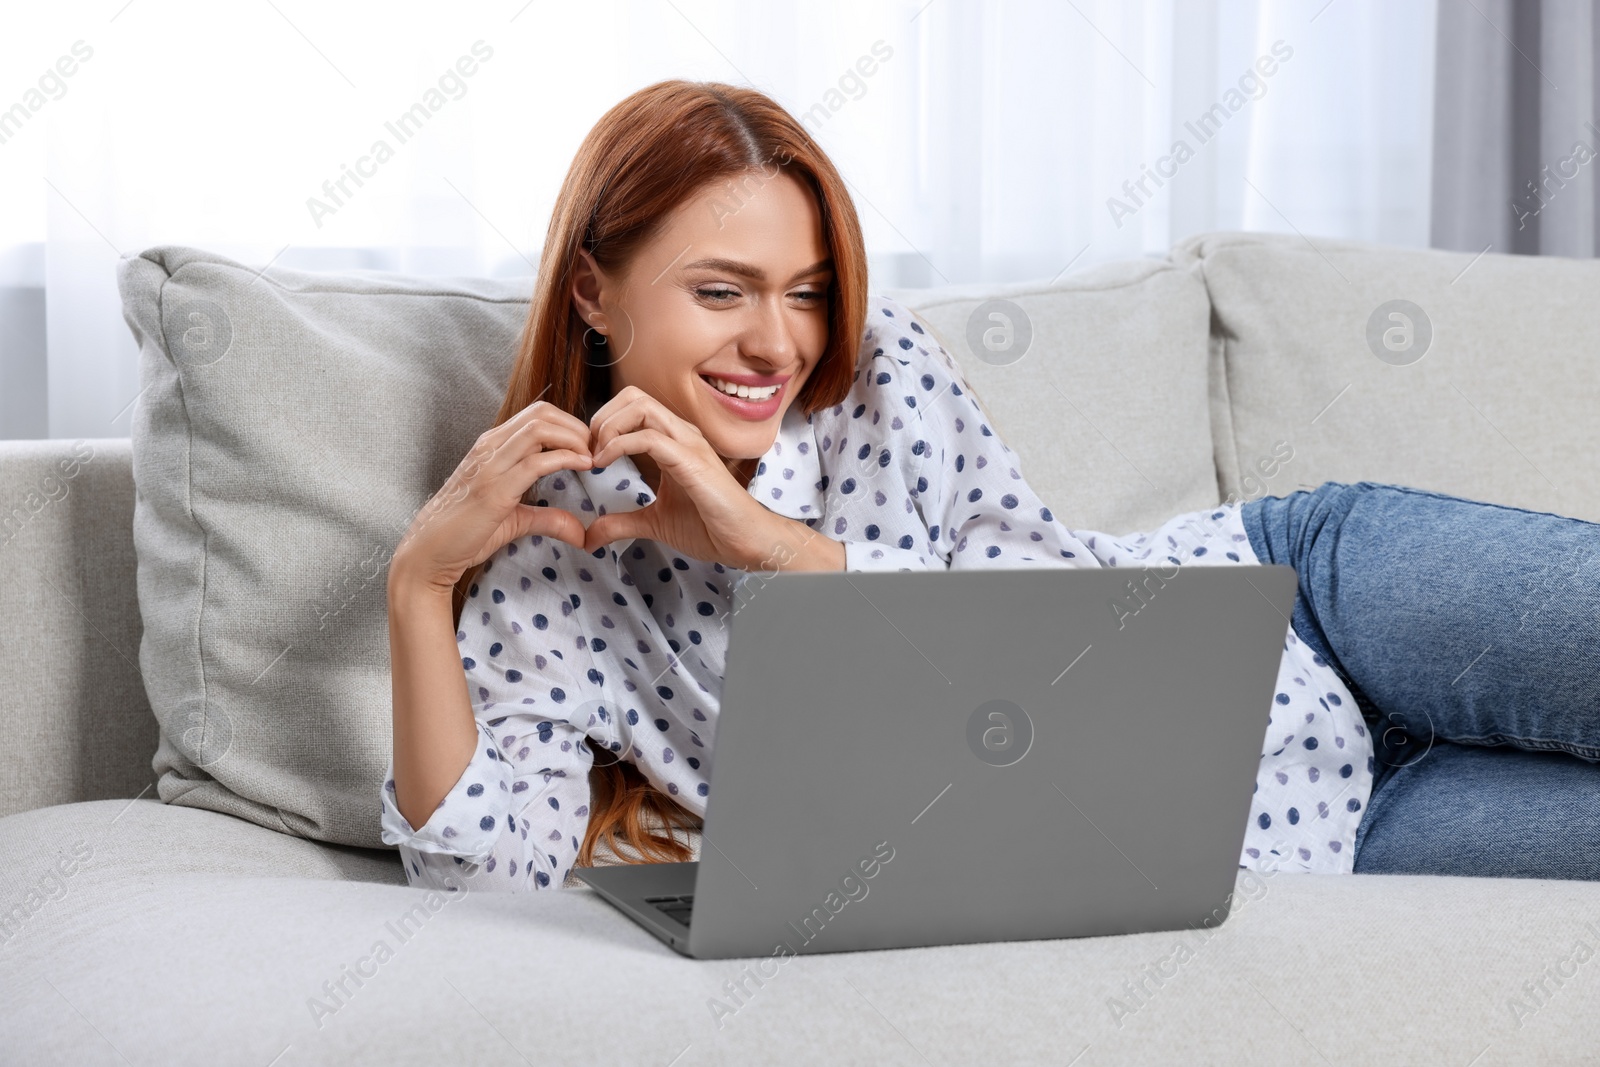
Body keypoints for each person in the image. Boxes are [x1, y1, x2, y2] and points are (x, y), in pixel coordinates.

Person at [379, 79, 1600, 893]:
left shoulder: (874, 378)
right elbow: (488, 876)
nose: (777, 342)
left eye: (804, 291)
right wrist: (419, 583)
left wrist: (769, 544)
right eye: (719, 290)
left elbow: (1053, 623)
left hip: (1317, 600)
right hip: (1319, 832)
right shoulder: (561, 560)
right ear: (594, 291)